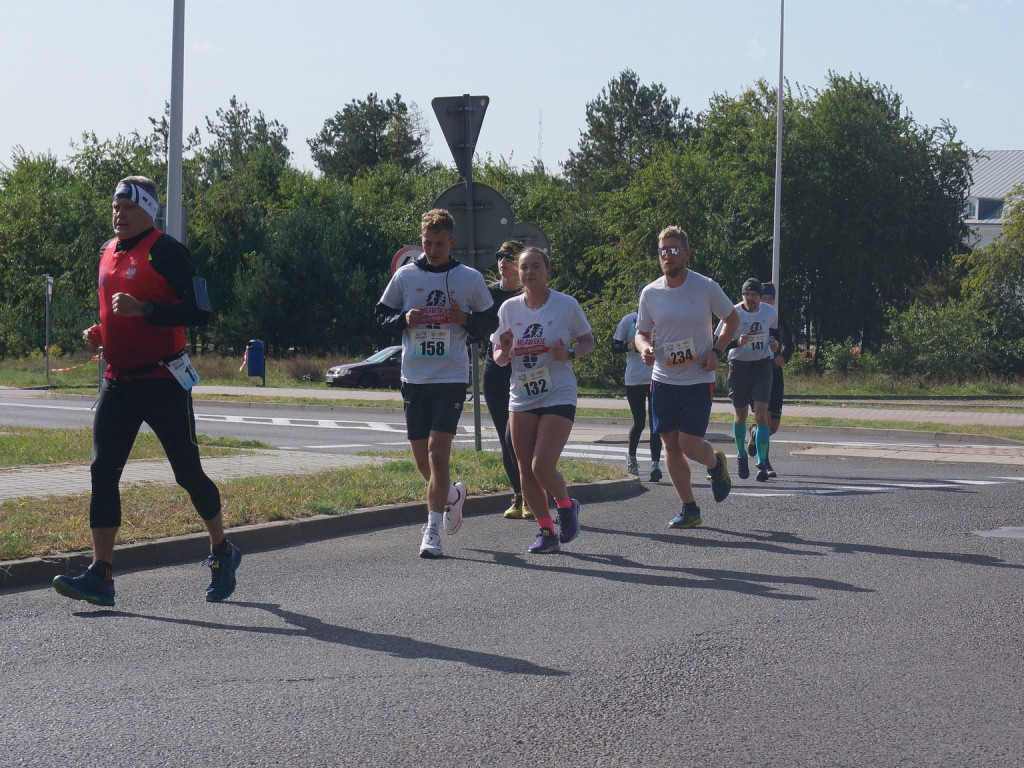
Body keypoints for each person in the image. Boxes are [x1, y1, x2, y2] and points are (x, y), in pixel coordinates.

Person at [53, 176, 240, 607]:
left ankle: (221, 550)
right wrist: (101, 332)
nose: (118, 214)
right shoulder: (106, 250)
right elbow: (113, 310)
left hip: (163, 380)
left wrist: (146, 311)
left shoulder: (167, 250)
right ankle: (101, 574)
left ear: (148, 210)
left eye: (127, 207)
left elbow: (201, 313)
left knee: (187, 473)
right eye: (115, 207)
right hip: (118, 380)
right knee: (102, 470)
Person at [376, 209, 497, 558]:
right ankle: (454, 496)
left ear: (451, 242)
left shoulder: (469, 278)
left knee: (436, 453)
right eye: (427, 243)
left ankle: (431, 532)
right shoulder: (405, 275)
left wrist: (468, 320)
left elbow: (490, 319)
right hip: (414, 377)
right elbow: (379, 315)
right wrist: (403, 318)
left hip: (451, 377)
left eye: (439, 244)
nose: (432, 250)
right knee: (421, 461)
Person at [634, 226, 738, 529]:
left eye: (674, 249)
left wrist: (717, 351)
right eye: (663, 251)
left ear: (686, 254)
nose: (668, 255)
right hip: (663, 378)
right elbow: (641, 333)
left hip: (697, 378)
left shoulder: (705, 287)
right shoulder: (650, 293)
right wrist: (645, 348)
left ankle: (715, 463)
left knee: (689, 443)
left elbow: (732, 319)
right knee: (670, 446)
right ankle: (689, 508)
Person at [491, 246, 594, 554]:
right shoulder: (509, 308)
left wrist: (572, 353)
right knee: (525, 470)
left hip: (558, 391)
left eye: (536, 267)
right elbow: (498, 357)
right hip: (522, 394)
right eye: (524, 268)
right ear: (517, 273)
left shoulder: (566, 305)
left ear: (548, 272)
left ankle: (565, 506)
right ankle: (547, 531)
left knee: (542, 465)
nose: (530, 272)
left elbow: (588, 341)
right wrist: (506, 348)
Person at [481, 239, 534, 519]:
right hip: (495, 371)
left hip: (525, 371)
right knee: (506, 437)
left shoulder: (530, 297)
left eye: (509, 256)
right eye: (500, 255)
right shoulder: (487, 296)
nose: (503, 260)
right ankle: (519, 495)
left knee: (521, 438)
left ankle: (532, 492)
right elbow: (477, 328)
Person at [716, 278, 777, 482]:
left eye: (754, 295)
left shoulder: (769, 312)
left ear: (760, 296)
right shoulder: (733, 313)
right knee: (740, 415)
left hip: (762, 365)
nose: (750, 298)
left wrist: (775, 344)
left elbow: (774, 334)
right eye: (746, 294)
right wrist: (736, 341)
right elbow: (719, 343)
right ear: (742, 296)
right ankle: (741, 455)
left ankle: (761, 463)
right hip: (739, 367)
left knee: (761, 416)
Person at [612, 292, 662, 481]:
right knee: (639, 421)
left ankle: (655, 464)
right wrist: (630, 345)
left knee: (655, 423)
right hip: (634, 379)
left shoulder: (660, 318)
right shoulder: (629, 320)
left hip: (656, 377)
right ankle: (632, 458)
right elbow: (614, 346)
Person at [745, 281, 794, 477]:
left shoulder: (778, 321)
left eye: (769, 299)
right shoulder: (750, 318)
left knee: (772, 426)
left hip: (775, 373)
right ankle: (764, 463)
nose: (766, 302)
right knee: (763, 418)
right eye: (763, 298)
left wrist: (785, 357)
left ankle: (755, 432)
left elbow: (790, 344)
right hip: (756, 372)